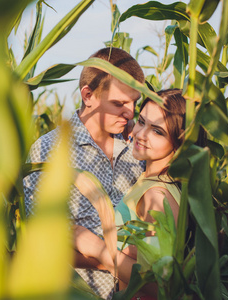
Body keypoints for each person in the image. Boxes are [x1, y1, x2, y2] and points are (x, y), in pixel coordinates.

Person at [23, 47, 145, 299]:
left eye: (134, 102)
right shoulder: (49, 152)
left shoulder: (137, 149)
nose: (130, 112)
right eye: (119, 103)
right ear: (88, 95)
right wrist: (115, 263)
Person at [73, 89, 207, 298]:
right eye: (141, 121)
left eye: (157, 131)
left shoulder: (157, 196)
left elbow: (159, 286)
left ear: (182, 143)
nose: (140, 134)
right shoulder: (154, 180)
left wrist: (97, 248)